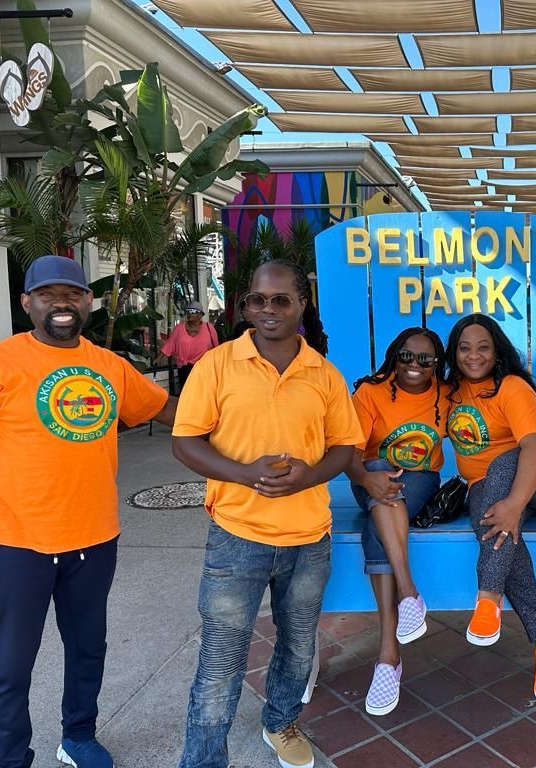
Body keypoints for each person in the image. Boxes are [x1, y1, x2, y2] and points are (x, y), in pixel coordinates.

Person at [0, 255, 176, 768]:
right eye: (47, 294)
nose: (60, 303)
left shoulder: (109, 366)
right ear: (27, 303)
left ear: (87, 301)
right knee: (7, 667)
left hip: (94, 540)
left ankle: (79, 737)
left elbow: (168, 410)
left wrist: (242, 408)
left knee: (88, 649)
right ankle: (9, 760)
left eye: (71, 293)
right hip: (12, 546)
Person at [171, 260, 364, 768]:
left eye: (282, 299)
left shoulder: (324, 373)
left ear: (302, 305)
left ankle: (279, 722)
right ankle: (204, 760)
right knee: (220, 660)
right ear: (245, 306)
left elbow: (345, 447)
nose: (268, 309)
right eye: (258, 299)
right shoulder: (217, 364)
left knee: (299, 649)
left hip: (308, 539)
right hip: (237, 536)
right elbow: (185, 441)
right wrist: (242, 472)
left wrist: (309, 475)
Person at [445, 313, 536, 703]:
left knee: (502, 465)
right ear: (454, 353)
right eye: (465, 348)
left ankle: (488, 599)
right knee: (488, 504)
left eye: (483, 346)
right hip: (487, 490)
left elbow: (534, 446)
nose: (474, 355)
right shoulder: (450, 391)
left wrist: (515, 504)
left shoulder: (512, 387)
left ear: (497, 351)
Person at [347, 327, 448, 716]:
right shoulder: (371, 393)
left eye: (425, 359)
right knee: (378, 470)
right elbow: (349, 453)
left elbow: (490, 421)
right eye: (406, 356)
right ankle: (408, 593)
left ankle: (388, 657)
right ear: (394, 355)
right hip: (369, 478)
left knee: (378, 524)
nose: (414, 365)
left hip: (420, 478)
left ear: (436, 363)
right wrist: (368, 477)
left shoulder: (447, 393)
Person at [161, 301, 220, 394]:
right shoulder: (179, 328)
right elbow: (169, 345)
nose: (189, 313)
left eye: (193, 311)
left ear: (200, 314)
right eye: (188, 311)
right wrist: (157, 359)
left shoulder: (209, 328)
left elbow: (217, 349)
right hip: (184, 369)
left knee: (201, 394)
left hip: (203, 369)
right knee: (186, 394)